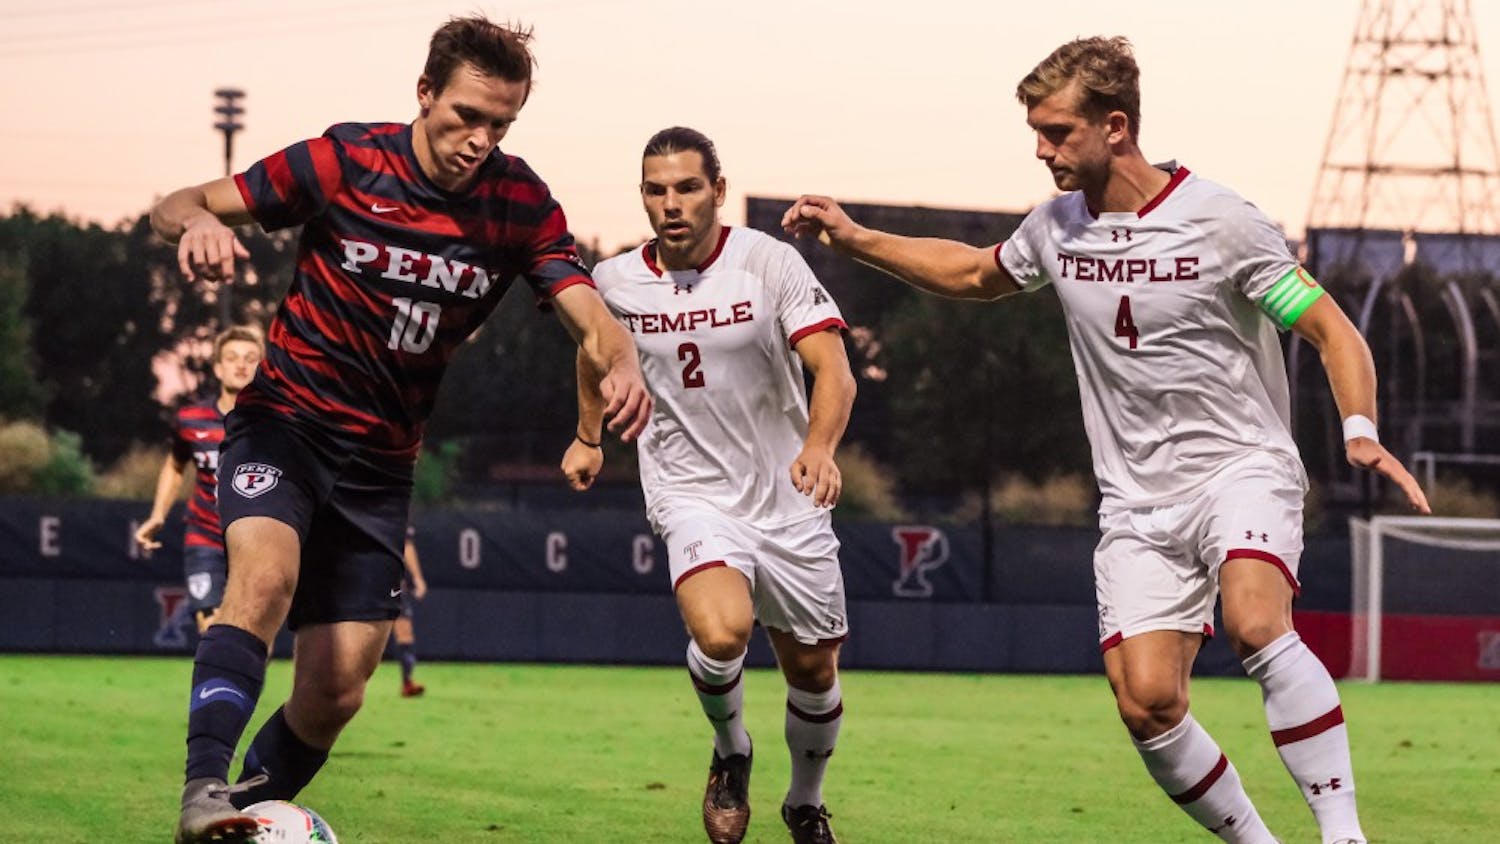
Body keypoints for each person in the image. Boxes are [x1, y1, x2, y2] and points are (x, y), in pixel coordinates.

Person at [783, 37, 1429, 844]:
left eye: (1056, 132)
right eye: (1037, 133)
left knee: (1258, 623)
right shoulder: (1055, 228)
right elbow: (974, 274)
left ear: (1115, 126)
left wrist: (1359, 432)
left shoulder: (1223, 220)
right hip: (1136, 503)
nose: (1042, 149)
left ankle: (1343, 834)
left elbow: (1333, 331)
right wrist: (855, 237)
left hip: (1241, 471)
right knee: (1147, 703)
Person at [149, 16, 651, 843]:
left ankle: (238, 817)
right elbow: (179, 203)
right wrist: (200, 220)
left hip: (381, 465)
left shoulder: (519, 202)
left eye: (502, 124)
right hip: (285, 425)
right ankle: (203, 790)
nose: (480, 139)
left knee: (338, 690)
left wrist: (620, 361)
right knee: (265, 581)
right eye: (466, 116)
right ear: (425, 94)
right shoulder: (345, 160)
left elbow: (590, 314)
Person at [562, 127, 857, 844]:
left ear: (717, 192)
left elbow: (834, 369)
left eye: (688, 188)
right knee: (720, 631)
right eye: (656, 190)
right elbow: (595, 351)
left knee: (814, 671)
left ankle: (805, 803)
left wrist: (819, 447)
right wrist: (588, 434)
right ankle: (731, 754)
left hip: (789, 495)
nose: (672, 204)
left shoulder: (767, 262)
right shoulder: (614, 281)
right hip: (690, 490)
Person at [136, 326, 265, 635]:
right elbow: (175, 465)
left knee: (254, 629)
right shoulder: (191, 419)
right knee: (212, 626)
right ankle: (220, 681)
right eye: (232, 358)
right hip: (205, 535)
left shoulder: (277, 422)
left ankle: (243, 684)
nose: (241, 365)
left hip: (258, 539)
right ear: (218, 368)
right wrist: (158, 514)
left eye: (250, 359)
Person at [392, 526, 429, 697]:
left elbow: (407, 545)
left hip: (392, 584)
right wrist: (418, 579)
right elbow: (407, 546)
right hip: (384, 581)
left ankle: (407, 683)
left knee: (404, 634)